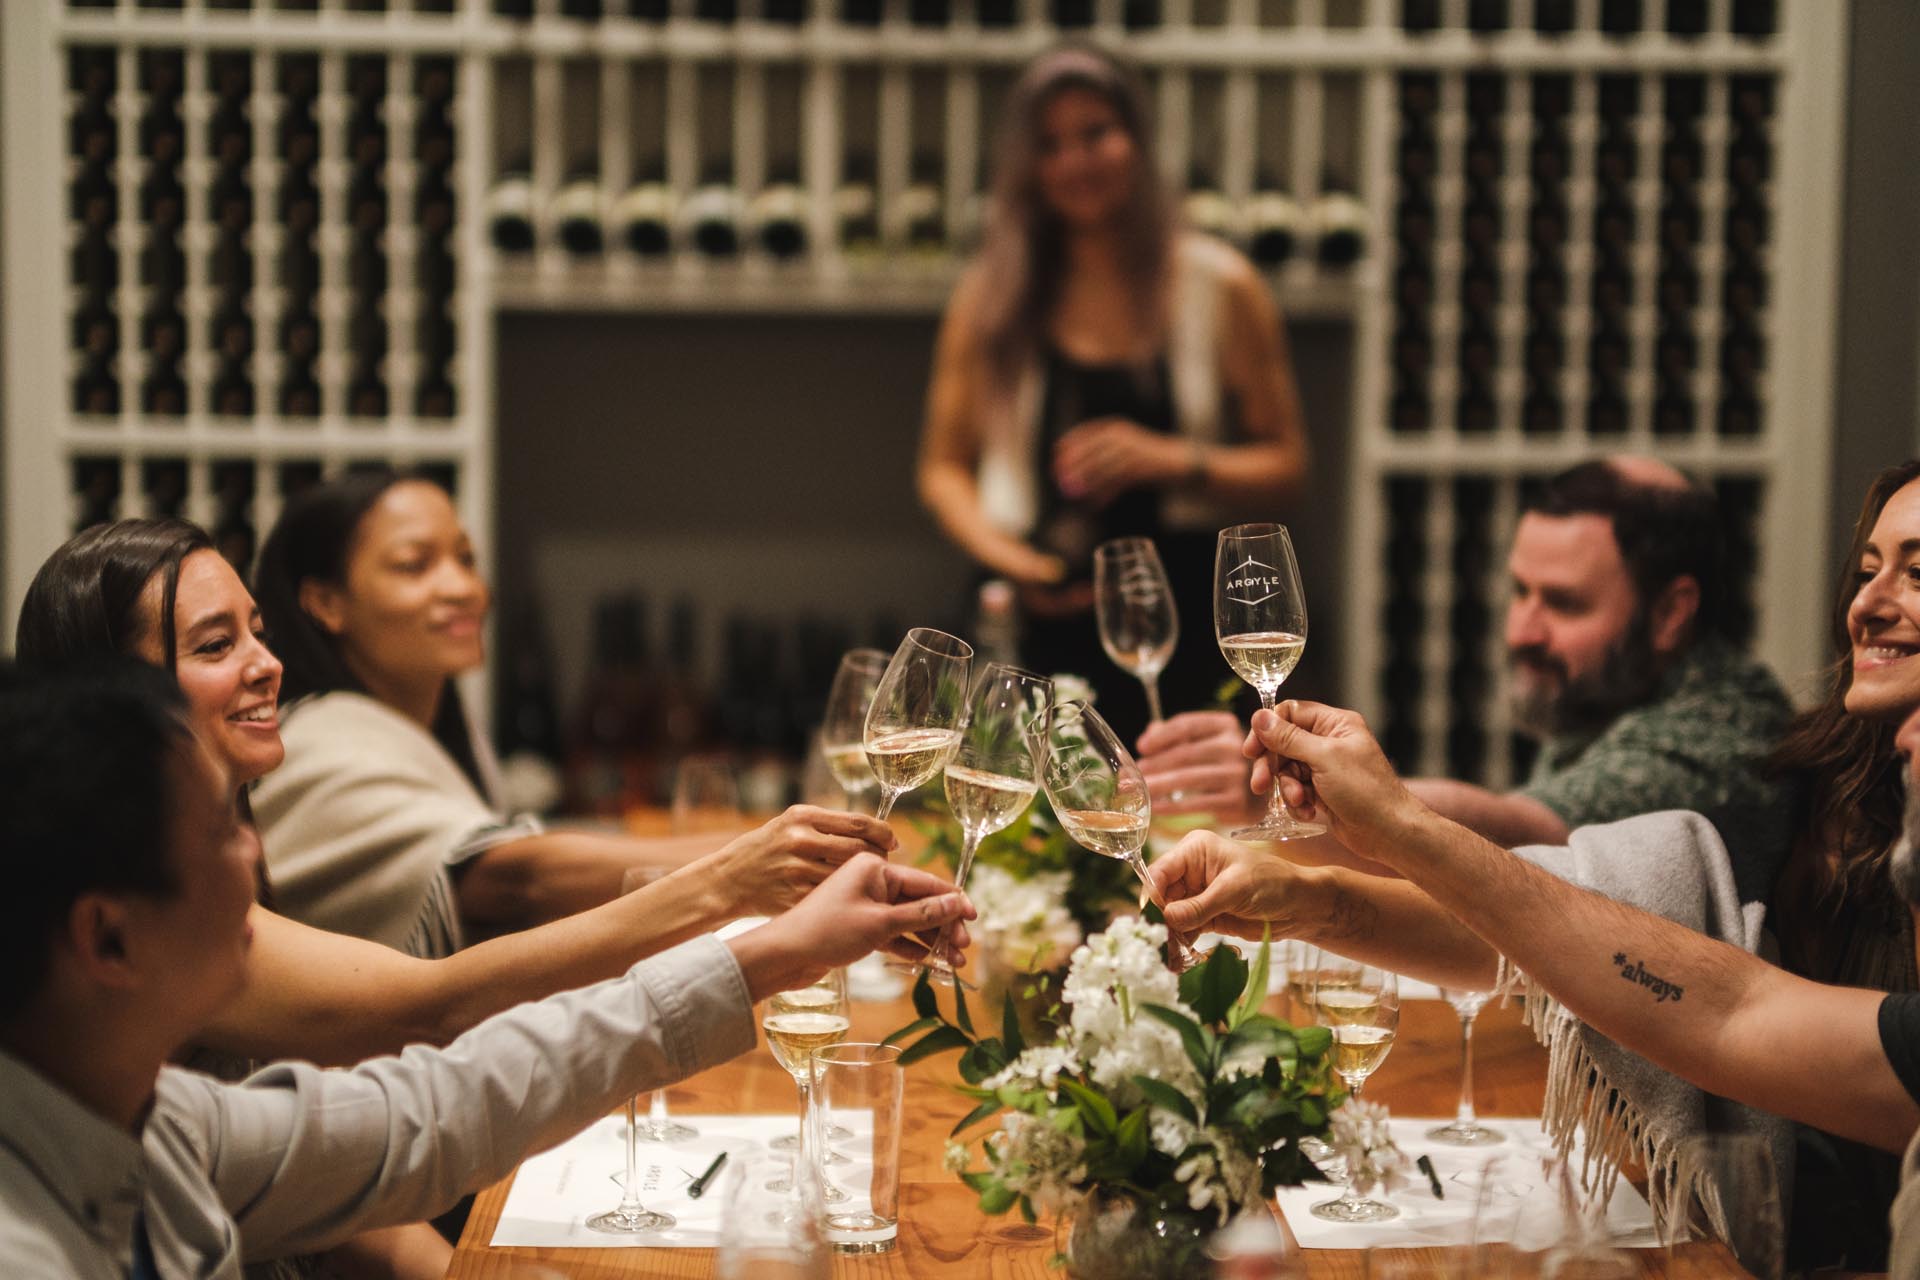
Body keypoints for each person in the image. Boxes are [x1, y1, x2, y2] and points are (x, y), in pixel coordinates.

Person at [0, 659, 975, 1278]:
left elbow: (435, 1109)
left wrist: (777, 949)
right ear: (108, 938)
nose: (256, 858)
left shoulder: (151, 1119)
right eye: (220, 831)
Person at [15, 515, 898, 1064]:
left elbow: (307, 1156)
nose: (267, 665)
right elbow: (433, 1001)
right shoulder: (164, 913)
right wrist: (735, 886)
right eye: (215, 647)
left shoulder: (233, 841)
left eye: (256, 631)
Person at [1153, 692, 1920, 1270]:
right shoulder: (1825, 807)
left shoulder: (1723, 723)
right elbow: (1553, 940)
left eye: (1917, 572)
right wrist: (1301, 901)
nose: (1872, 602)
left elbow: (1731, 1012)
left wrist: (1398, 825)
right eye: (1866, 570)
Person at [249, 472, 885, 956]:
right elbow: (512, 879)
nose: (463, 587)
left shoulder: (422, 726)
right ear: (325, 603)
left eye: (465, 559)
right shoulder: (322, 740)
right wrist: (768, 854)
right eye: (416, 565)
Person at [915, 41, 1310, 740]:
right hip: (1033, 626)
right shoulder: (990, 298)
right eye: (1050, 144)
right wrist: (1012, 561)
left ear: (1136, 139)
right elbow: (943, 469)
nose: (1075, 161)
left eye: (1094, 133)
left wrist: (1171, 459)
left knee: (1187, 835)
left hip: (1185, 631)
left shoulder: (1219, 287)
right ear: (1027, 166)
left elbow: (1287, 466)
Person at [1139, 456, 1794, 872]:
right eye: (1520, 591)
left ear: (1673, 611)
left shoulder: (1718, 738)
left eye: (1563, 603)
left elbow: (1525, 838)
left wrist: (1299, 791)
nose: (1520, 630)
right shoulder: (1612, 690)